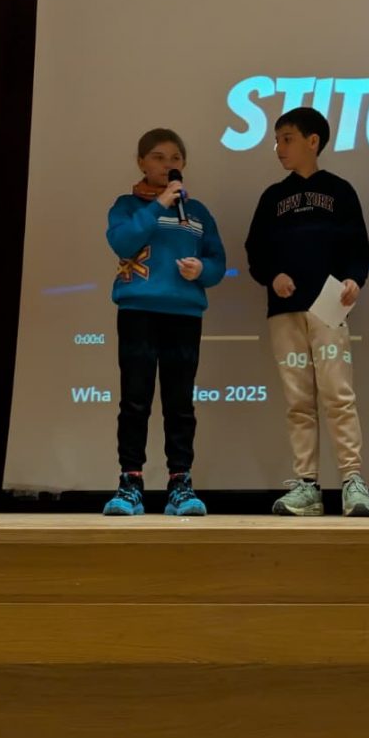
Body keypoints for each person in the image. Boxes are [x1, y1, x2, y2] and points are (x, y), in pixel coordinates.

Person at [245, 107, 369, 517]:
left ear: (312, 141)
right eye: (276, 140)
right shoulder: (273, 197)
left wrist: (354, 279)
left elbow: (359, 247)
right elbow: (255, 250)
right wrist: (273, 276)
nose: (279, 148)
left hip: (329, 305)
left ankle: (353, 481)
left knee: (338, 394)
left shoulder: (340, 191)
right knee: (298, 400)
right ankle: (307, 485)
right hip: (285, 310)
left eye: (286, 139)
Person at [102, 129, 225, 517]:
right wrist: (158, 204)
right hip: (137, 312)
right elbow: (122, 242)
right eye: (157, 157)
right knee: (135, 400)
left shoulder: (197, 212)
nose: (167, 164)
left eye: (175, 158)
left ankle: (180, 483)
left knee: (180, 403)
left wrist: (201, 269)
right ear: (141, 162)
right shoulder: (127, 206)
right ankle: (130, 483)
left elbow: (218, 262)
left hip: (184, 315)